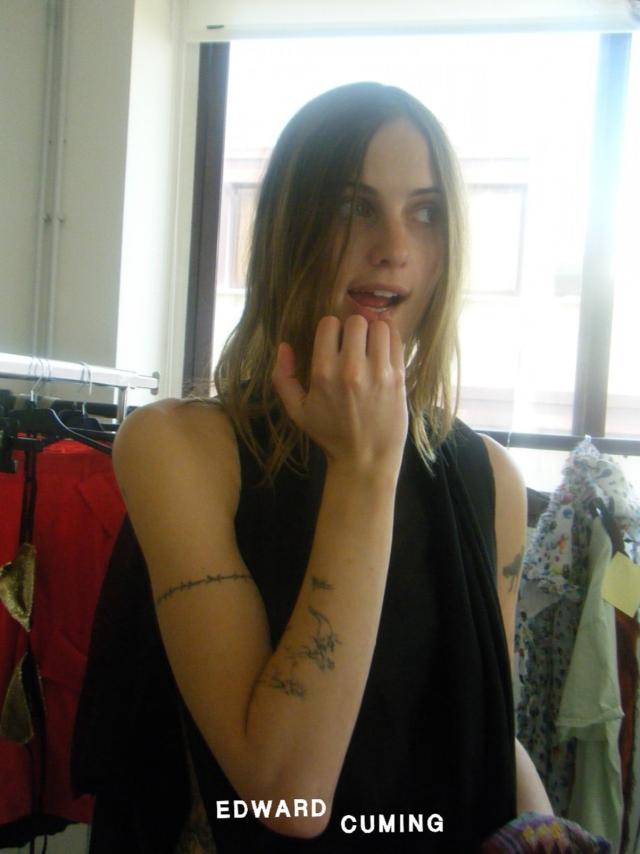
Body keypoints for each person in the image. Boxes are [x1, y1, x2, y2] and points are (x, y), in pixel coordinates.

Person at [112, 82, 552, 852]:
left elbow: (480, 721)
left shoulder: (491, 478)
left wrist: (541, 820)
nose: (395, 247)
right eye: (355, 205)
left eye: (427, 212)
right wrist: (364, 469)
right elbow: (288, 795)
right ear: (290, 227)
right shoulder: (177, 448)